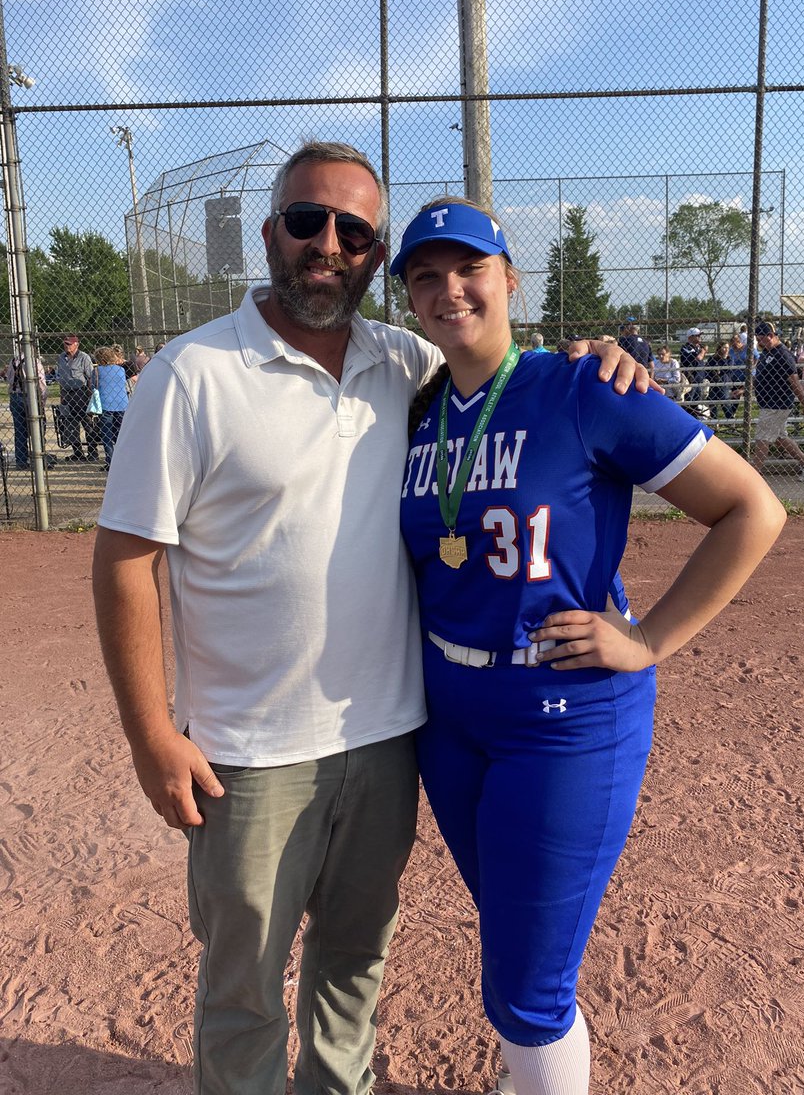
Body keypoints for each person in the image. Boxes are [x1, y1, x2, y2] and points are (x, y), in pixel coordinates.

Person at [91, 141, 648, 1095]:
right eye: (308, 221)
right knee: (245, 987)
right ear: (271, 233)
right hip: (249, 754)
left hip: (390, 736)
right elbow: (124, 562)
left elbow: (498, 359)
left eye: (355, 231)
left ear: (370, 251)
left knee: (354, 968)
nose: (329, 244)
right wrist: (150, 732)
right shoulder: (192, 373)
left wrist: (590, 357)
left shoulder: (406, 363)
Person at [391, 197, 786, 1095]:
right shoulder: (415, 410)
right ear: (409, 297)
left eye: (469, 269)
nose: (449, 290)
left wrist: (649, 639)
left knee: (527, 988)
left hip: (560, 716)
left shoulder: (583, 388)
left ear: (510, 281)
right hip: (447, 720)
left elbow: (752, 508)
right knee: (518, 943)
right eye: (425, 276)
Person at [750, 322, 804, 480]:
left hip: (777, 404)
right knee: (780, 438)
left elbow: (794, 381)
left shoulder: (783, 355)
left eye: (761, 339)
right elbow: (759, 375)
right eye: (757, 340)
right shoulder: (767, 352)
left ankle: (753, 475)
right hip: (768, 402)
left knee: (762, 438)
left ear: (771, 336)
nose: (759, 343)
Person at [5, 347, 52, 470]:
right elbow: (41, 383)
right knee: (37, 429)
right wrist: (42, 400)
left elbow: (9, 379)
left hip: (15, 396)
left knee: (20, 431)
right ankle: (39, 460)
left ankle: (21, 461)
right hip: (30, 397)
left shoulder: (13, 361)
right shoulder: (35, 362)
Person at [57, 331, 100, 461]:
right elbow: (60, 377)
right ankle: (78, 452)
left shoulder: (84, 357)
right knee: (70, 425)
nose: (67, 346)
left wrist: (91, 394)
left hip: (81, 393)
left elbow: (91, 376)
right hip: (67, 394)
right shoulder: (61, 358)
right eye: (65, 344)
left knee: (87, 424)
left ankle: (92, 452)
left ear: (77, 344)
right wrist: (61, 395)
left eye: (69, 344)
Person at [91, 346, 130, 469]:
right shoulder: (121, 370)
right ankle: (124, 460)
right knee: (120, 433)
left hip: (106, 404)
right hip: (122, 404)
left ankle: (111, 462)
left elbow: (93, 385)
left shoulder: (97, 371)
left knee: (106, 434)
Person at [679, 328, 705, 413]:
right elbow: (697, 358)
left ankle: (694, 417)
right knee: (688, 401)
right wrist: (703, 352)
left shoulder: (699, 347)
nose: (700, 337)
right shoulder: (686, 348)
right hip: (691, 378)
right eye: (697, 335)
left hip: (699, 378)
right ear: (690, 337)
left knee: (696, 401)